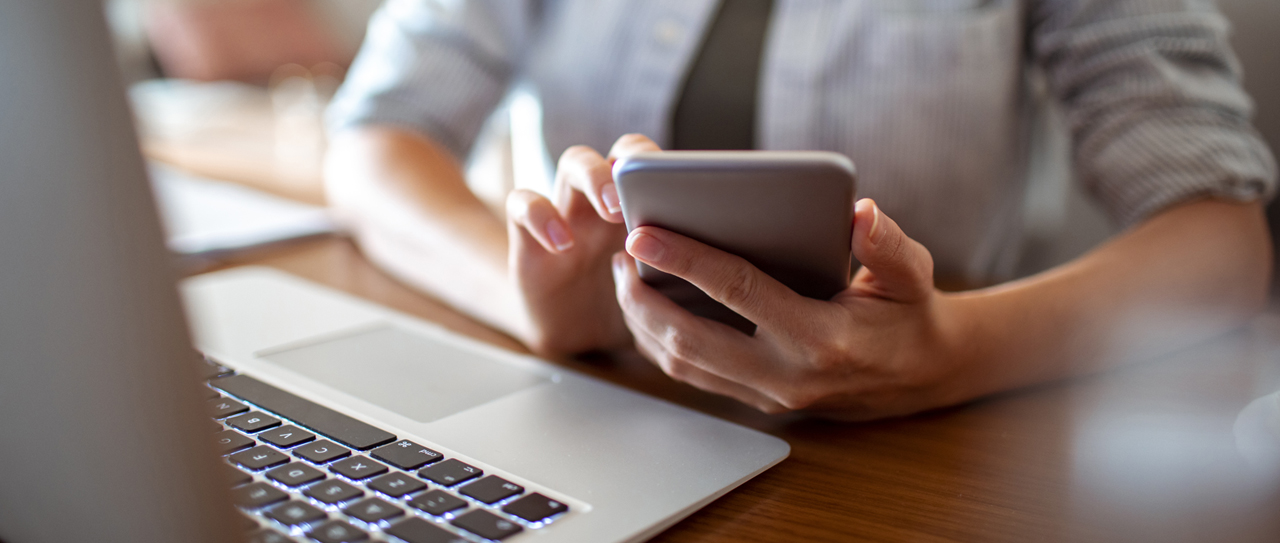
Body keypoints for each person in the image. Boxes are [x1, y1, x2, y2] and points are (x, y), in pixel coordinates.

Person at [323, 0, 1276, 420]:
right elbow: (373, 138)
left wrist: (949, 352)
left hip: (915, 456)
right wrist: (527, 296)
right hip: (600, 405)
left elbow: (1223, 241)